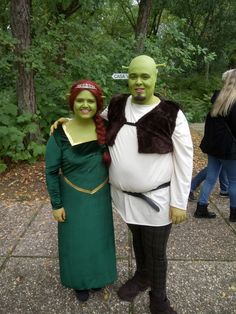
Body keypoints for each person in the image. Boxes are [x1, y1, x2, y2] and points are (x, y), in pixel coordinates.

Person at [51, 55, 193, 313]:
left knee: (157, 251)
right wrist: (66, 122)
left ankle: (158, 298)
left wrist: (179, 202)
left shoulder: (171, 113)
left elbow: (185, 160)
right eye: (134, 76)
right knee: (138, 241)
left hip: (157, 200)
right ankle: (141, 276)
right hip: (124, 198)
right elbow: (91, 118)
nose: (139, 82)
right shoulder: (117, 105)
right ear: (128, 77)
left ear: (155, 78)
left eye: (145, 76)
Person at [45, 80, 117, 302]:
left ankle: (98, 277)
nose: (85, 105)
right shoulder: (60, 134)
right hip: (73, 198)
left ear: (98, 104)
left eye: (90, 101)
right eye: (80, 100)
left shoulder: (106, 128)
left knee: (98, 239)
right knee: (77, 241)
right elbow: (50, 171)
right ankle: (79, 280)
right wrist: (56, 205)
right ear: (72, 103)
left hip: (100, 198)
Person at [194, 69, 236, 221]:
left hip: (213, 147)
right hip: (229, 149)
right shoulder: (234, 102)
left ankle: (201, 207)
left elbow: (209, 126)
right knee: (234, 181)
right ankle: (234, 214)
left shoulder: (218, 100)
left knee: (211, 177)